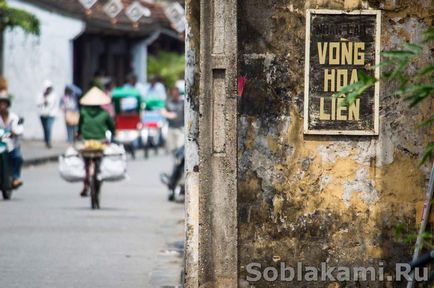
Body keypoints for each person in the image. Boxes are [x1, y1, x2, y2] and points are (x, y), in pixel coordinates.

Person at [77, 87, 115, 197]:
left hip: (87, 141)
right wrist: (113, 133)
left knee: (86, 163)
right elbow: (111, 127)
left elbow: (79, 127)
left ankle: (86, 184)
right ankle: (97, 174)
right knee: (100, 160)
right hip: (101, 142)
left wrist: (79, 134)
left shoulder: (83, 112)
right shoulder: (104, 113)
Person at [0, 89, 24, 188]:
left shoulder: (14, 117)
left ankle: (15, 177)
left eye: (4, 103)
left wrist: (15, 132)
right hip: (0, 145)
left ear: (7, 105)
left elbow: (20, 129)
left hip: (11, 145)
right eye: (0, 103)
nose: (2, 106)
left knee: (18, 157)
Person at [160, 87, 184, 154]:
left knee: (180, 146)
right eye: (173, 93)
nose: (175, 95)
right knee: (172, 148)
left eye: (176, 93)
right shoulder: (168, 103)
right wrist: (169, 115)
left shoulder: (183, 103)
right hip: (171, 128)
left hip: (181, 128)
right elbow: (162, 111)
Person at [37, 80, 58, 148]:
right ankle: (46, 140)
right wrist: (43, 99)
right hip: (42, 114)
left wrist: (46, 101)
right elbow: (38, 103)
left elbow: (52, 105)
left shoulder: (53, 95)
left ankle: (48, 141)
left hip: (50, 114)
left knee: (49, 127)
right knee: (45, 128)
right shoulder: (41, 94)